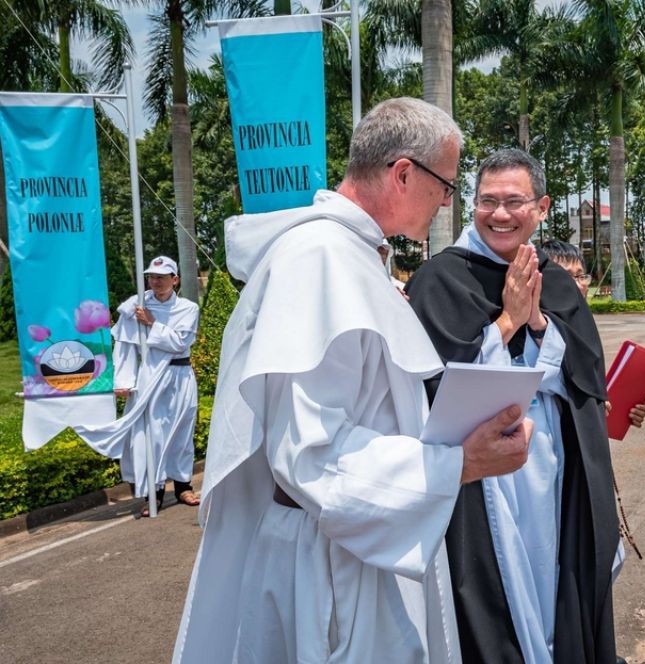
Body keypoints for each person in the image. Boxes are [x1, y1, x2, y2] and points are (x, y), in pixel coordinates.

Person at [171, 98, 532, 664]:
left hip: (357, 541)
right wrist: (459, 463)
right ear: (405, 173)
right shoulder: (320, 260)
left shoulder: (351, 255)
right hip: (327, 566)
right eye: (446, 185)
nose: (447, 202)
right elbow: (312, 455)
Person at [405, 148, 619, 663]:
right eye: (487, 201)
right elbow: (436, 383)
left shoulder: (557, 279)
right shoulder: (440, 278)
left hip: (550, 463)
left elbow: (585, 378)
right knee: (498, 592)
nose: (499, 214)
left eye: (514, 202)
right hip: (481, 479)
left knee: (551, 576)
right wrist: (508, 320)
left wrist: (540, 322)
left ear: (541, 207)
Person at [77, 255, 200, 517]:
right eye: (152, 277)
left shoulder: (188, 308)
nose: (155, 282)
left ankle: (183, 486)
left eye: (162, 277)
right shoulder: (135, 306)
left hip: (180, 375)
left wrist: (152, 324)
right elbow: (124, 345)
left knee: (181, 431)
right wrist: (124, 381)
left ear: (174, 279)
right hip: (150, 377)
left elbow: (180, 343)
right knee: (151, 435)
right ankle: (152, 493)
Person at [540, 239, 645, 427]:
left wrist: (622, 410)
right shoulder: (532, 330)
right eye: (565, 277)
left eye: (580, 276)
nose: (577, 286)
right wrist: (593, 404)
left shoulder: (584, 327)